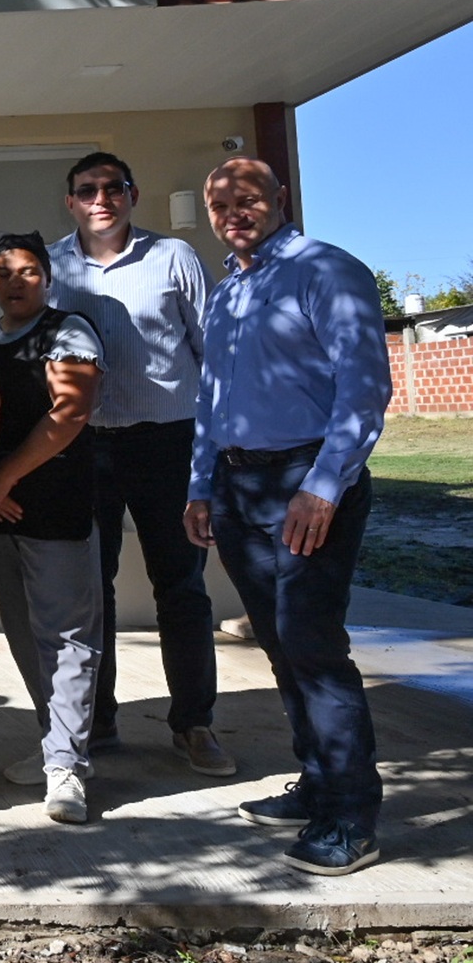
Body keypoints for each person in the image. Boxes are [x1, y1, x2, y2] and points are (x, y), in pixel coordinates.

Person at [186, 158, 391, 876]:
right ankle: (318, 783)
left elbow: (365, 392)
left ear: (280, 199)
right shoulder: (230, 289)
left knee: (312, 644)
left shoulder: (328, 271)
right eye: (221, 203)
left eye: (248, 199)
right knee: (279, 644)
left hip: (307, 485)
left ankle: (352, 818)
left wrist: (324, 487)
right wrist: (200, 485)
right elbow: (212, 398)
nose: (234, 212)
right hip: (240, 488)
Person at [47, 153, 233, 776]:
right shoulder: (53, 265)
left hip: (167, 444)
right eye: (87, 190)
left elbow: (214, 356)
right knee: (88, 593)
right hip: (84, 447)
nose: (101, 197)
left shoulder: (173, 259)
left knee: (180, 586)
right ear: (70, 201)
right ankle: (96, 724)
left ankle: (194, 723)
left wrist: (215, 451)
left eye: (113, 187)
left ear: (132, 193)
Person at [0, 232, 106, 825]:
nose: (15, 281)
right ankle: (56, 744)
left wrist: (2, 478)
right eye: (3, 272)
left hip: (56, 510)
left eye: (28, 271)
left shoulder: (69, 330)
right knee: (25, 634)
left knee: (68, 639)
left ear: (48, 278)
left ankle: (70, 769)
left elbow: (70, 410)